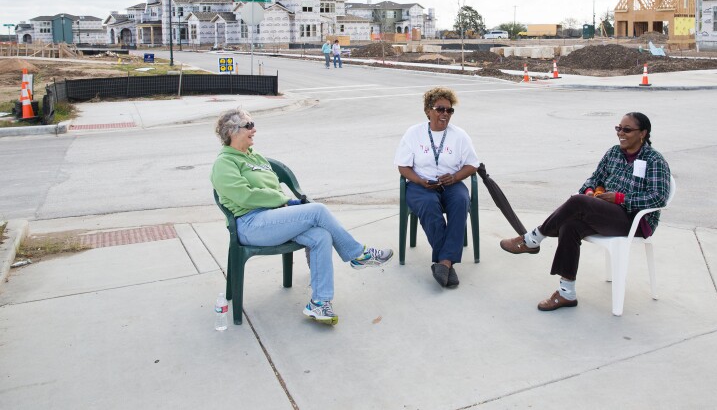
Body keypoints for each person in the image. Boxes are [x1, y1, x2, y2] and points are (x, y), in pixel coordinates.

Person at [211, 108, 393, 325]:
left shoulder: (255, 157)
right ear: (232, 132)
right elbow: (245, 196)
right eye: (248, 126)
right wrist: (281, 201)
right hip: (251, 224)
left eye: (253, 124)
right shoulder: (224, 163)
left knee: (321, 235)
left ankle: (319, 303)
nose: (254, 129)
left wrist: (282, 202)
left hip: (274, 217)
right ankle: (358, 254)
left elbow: (274, 189)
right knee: (318, 210)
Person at [500, 112, 671, 311]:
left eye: (627, 130)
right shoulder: (614, 153)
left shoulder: (654, 160)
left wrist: (620, 198)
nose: (621, 134)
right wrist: (591, 191)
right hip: (606, 213)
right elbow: (593, 179)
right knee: (570, 225)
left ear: (643, 133)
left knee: (578, 202)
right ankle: (566, 293)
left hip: (635, 221)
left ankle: (532, 239)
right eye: (618, 128)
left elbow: (658, 197)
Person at [394, 87, 480, 288]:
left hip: (451, 183)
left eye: (449, 110)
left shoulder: (460, 135)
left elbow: (472, 164)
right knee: (428, 204)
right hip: (421, 184)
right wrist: (418, 181)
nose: (445, 114)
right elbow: (402, 166)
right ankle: (447, 261)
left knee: (460, 201)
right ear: (428, 110)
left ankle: (444, 262)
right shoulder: (413, 133)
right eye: (440, 109)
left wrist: (456, 176)